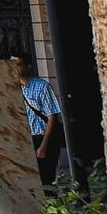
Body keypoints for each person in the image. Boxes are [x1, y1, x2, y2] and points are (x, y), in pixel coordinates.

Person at [10, 55, 63, 185]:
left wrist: (43, 146)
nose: (14, 68)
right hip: (25, 139)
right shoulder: (11, 88)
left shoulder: (42, 86)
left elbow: (52, 117)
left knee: (46, 179)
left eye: (18, 64)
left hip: (42, 137)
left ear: (27, 67)